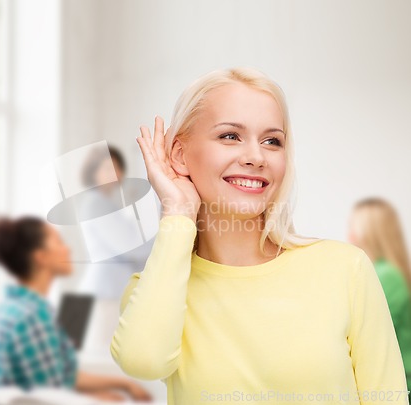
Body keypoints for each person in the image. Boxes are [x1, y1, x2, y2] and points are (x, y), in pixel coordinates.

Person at [109, 68, 409, 404]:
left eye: (272, 141)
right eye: (230, 136)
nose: (255, 157)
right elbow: (142, 361)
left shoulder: (345, 269)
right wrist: (178, 213)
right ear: (179, 154)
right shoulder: (154, 289)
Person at [0, 216, 152, 402]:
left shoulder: (16, 307)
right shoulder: (32, 316)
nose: (68, 248)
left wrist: (123, 384)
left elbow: (61, 375)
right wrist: (98, 399)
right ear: (41, 257)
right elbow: (49, 393)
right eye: (58, 242)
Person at [348, 197, 411, 396]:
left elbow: (362, 332)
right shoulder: (381, 271)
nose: (349, 234)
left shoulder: (386, 275)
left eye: (353, 226)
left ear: (370, 233)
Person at [77, 144, 155, 300]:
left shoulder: (104, 203)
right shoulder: (96, 204)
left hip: (107, 289)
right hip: (104, 291)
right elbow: (130, 247)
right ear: (94, 172)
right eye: (108, 169)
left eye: (118, 168)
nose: (116, 174)